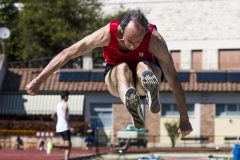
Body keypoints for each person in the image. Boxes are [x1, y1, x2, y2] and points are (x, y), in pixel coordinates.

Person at [26, 10, 192, 137]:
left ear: (146, 34)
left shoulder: (154, 39)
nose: (133, 46)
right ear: (121, 31)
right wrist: (40, 79)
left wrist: (184, 118)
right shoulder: (107, 33)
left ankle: (149, 90)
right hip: (118, 80)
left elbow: (173, 78)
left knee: (143, 65)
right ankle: (129, 97)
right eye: (129, 41)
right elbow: (68, 52)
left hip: (146, 76)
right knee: (122, 68)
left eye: (138, 41)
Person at [47, 90, 73, 160]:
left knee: (67, 144)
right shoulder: (65, 104)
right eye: (68, 96)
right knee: (68, 145)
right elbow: (64, 116)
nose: (68, 98)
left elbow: (52, 116)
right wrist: (70, 126)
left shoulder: (58, 105)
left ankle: (66, 158)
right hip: (65, 127)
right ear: (65, 97)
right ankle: (52, 145)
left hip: (59, 127)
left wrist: (58, 122)